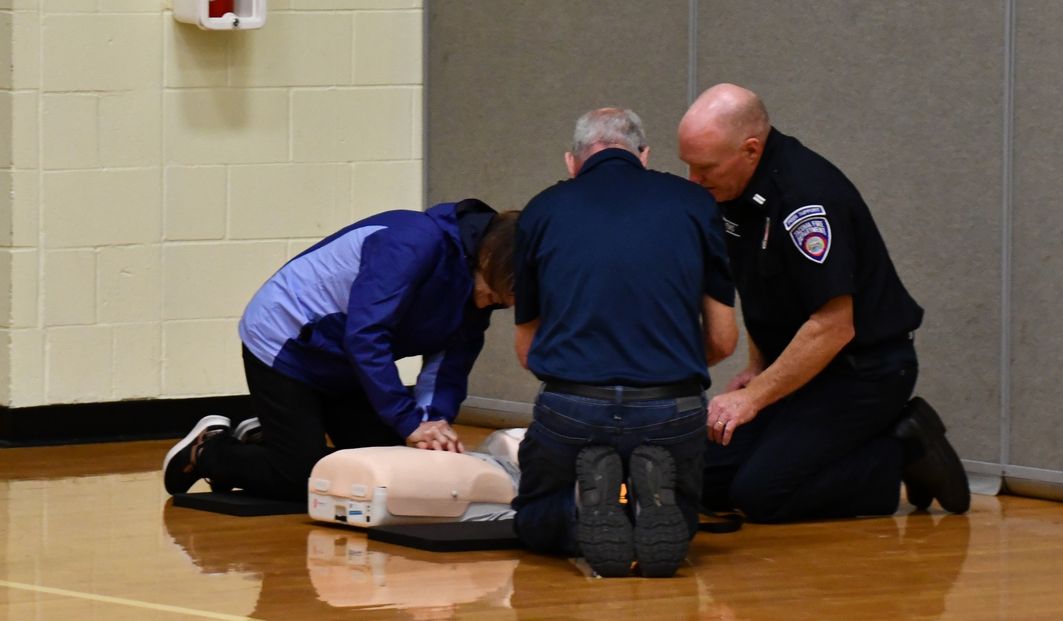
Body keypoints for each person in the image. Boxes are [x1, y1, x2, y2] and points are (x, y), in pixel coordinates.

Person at [676, 83, 970, 521]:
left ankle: (900, 451)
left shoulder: (804, 200)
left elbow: (834, 325)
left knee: (760, 495)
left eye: (704, 169)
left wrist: (754, 397)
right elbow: (759, 289)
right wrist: (758, 368)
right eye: (689, 167)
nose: (693, 181)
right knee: (703, 481)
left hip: (863, 373)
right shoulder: (732, 190)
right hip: (801, 368)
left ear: (750, 150)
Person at [162, 199, 520, 501]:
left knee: (389, 470)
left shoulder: (477, 299)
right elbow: (366, 334)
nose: (485, 303)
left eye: (496, 303)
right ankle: (208, 450)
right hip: (287, 344)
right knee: (301, 478)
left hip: (347, 364)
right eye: (488, 292)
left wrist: (431, 424)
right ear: (485, 259)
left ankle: (272, 437)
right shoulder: (413, 243)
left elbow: (449, 366)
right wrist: (407, 420)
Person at [511, 108, 738, 578]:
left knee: (534, 523)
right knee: (681, 518)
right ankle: (650, 508)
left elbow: (526, 352)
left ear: (572, 162)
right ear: (645, 156)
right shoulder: (695, 206)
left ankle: (576, 516)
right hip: (669, 406)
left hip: (574, 406)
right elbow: (723, 338)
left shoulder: (541, 210)